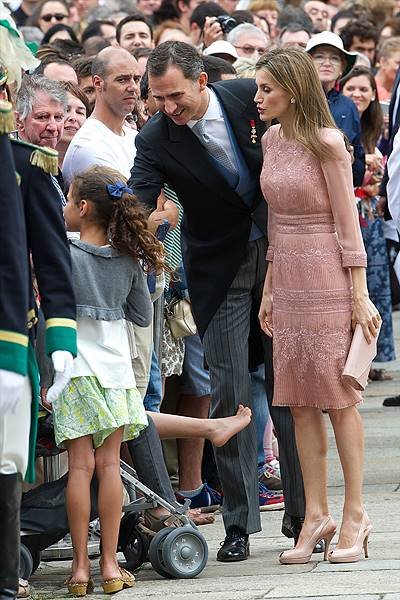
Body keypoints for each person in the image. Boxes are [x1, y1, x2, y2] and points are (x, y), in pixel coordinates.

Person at [130, 40, 305, 562]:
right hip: (217, 268)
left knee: (288, 388)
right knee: (228, 393)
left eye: (175, 96)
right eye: (158, 98)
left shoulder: (249, 97)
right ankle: (238, 523)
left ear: (202, 81)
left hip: (280, 253)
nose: (168, 107)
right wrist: (118, 227)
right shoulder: (155, 138)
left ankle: (301, 509)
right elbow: (139, 196)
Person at [57, 164, 253, 594]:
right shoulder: (126, 258)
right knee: (110, 466)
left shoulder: (65, 254)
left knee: (79, 466)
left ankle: (78, 569)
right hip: (116, 372)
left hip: (74, 371)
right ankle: (109, 566)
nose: (65, 207)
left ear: (83, 206)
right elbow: (142, 314)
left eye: (69, 200)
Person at [255, 47, 380, 565]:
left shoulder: (328, 142)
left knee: (338, 397)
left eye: (266, 88)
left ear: (292, 88)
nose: (257, 98)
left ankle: (355, 514)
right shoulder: (271, 139)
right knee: (298, 399)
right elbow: (274, 223)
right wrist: (267, 286)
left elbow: (348, 223)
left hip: (329, 273)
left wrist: (359, 293)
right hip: (285, 276)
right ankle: (315, 515)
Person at [340, 66, 396, 371]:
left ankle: (369, 358)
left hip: (371, 218)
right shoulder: (339, 124)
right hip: (350, 216)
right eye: (351, 89)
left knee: (375, 286)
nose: (357, 95)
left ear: (374, 95)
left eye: (364, 89)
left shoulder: (380, 129)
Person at [306, 31, 365, 187]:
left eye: (334, 58)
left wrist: (350, 159)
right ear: (307, 63)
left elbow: (359, 167)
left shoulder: (349, 106)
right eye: (319, 56)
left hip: (339, 188)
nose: (327, 63)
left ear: (342, 67)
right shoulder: (295, 100)